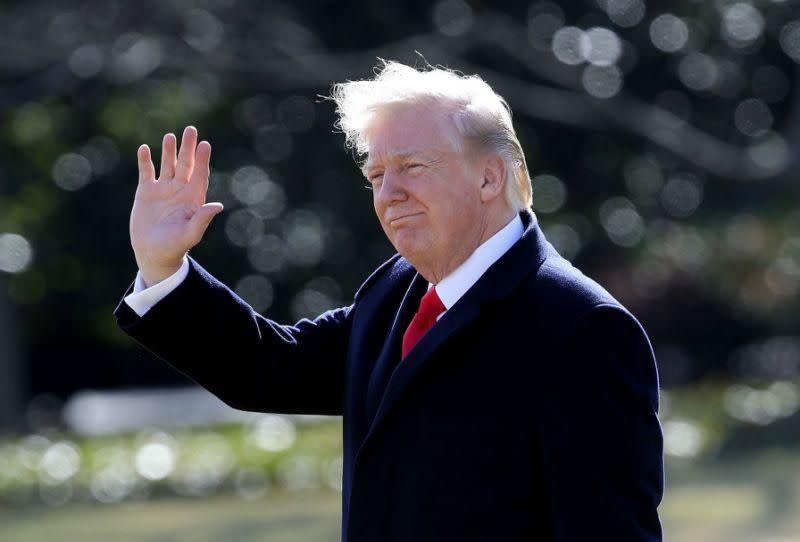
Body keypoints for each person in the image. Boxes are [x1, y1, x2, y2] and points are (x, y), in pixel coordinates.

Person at [114, 61, 663, 541]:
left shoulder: (582, 329)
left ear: (489, 177)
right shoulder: (393, 291)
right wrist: (163, 267)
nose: (388, 192)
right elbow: (268, 367)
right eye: (376, 174)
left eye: (412, 167)